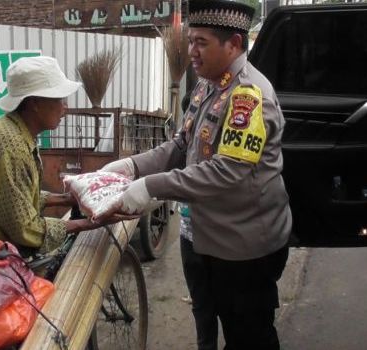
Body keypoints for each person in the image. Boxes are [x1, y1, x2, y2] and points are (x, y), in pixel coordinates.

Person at [101, 0, 292, 348]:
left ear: (233, 44)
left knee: (248, 335)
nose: (191, 51)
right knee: (205, 321)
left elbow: (225, 172)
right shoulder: (207, 84)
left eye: (201, 42)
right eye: (190, 42)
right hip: (201, 236)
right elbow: (181, 144)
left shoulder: (249, 96)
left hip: (242, 248)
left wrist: (151, 187)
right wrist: (133, 166)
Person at [0, 56, 122, 297]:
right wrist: (87, 224)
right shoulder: (9, 145)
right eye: (58, 99)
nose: (65, 106)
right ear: (34, 103)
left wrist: (67, 199)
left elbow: (19, 199)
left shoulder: (16, 133)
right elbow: (26, 228)